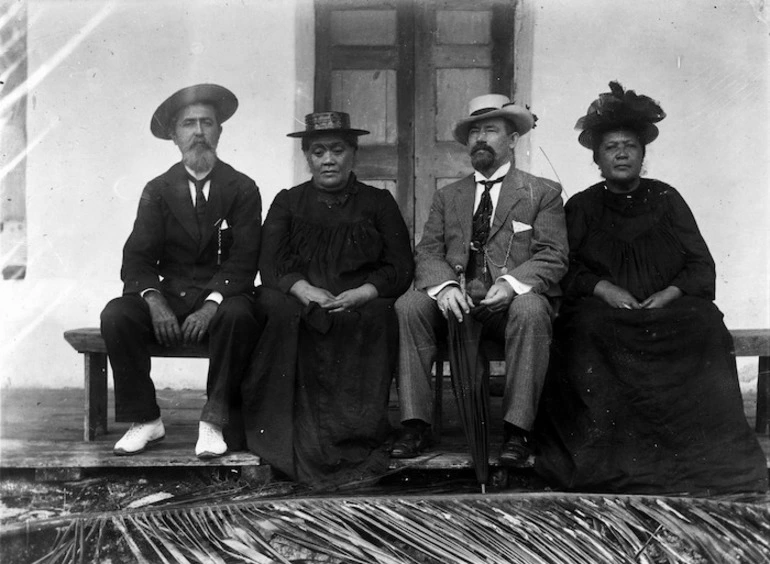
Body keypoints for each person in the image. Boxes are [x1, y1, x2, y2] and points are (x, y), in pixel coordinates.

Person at [535, 82, 768, 494]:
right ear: (597, 159)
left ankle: (698, 458)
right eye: (611, 147)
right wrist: (604, 289)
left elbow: (700, 265)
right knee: (585, 328)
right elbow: (564, 269)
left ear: (643, 155)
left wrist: (671, 293)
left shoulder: (667, 199)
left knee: (706, 325)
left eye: (629, 145)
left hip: (667, 310)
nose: (621, 153)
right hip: (605, 313)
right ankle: (608, 457)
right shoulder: (582, 207)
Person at [391, 94, 569, 467]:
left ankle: (517, 431)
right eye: (474, 133)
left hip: (508, 307)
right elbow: (428, 252)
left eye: (491, 130)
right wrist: (445, 288)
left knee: (533, 307)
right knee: (409, 305)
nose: (481, 139)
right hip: (457, 303)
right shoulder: (448, 196)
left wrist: (511, 285)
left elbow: (553, 255)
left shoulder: (542, 192)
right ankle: (415, 424)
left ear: (513, 139)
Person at [241, 112, 414, 486]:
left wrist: (364, 292)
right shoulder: (288, 203)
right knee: (280, 308)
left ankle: (357, 432)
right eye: (318, 151)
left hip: (360, 301)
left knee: (381, 313)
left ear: (353, 153)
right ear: (308, 157)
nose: (328, 159)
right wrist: (304, 290)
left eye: (337, 149)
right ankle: (286, 436)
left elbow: (401, 266)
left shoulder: (378, 202)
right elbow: (269, 266)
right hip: (304, 301)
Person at [100, 84, 264, 459]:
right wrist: (155, 300)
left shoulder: (242, 188)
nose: (199, 132)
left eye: (207, 122)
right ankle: (145, 419)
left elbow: (245, 258)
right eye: (189, 124)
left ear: (219, 131)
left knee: (239, 314)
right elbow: (137, 258)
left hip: (222, 298)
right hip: (170, 298)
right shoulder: (157, 190)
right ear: (174, 136)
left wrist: (210, 304)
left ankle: (213, 421)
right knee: (117, 314)